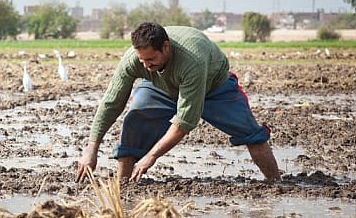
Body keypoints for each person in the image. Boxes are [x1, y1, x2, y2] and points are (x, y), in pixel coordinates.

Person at [76, 22, 281, 183]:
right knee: (134, 121)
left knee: (251, 133)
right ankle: (123, 185)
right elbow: (111, 102)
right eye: (142, 61)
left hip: (213, 86)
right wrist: (91, 151)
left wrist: (151, 157)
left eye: (151, 59)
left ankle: (276, 183)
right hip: (161, 85)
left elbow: (184, 122)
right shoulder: (135, 60)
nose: (146, 66)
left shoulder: (192, 61)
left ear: (166, 47)